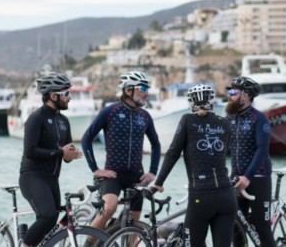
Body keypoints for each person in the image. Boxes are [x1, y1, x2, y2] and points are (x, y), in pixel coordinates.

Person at [152, 84, 236, 247]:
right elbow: (230, 153)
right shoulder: (225, 123)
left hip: (201, 196)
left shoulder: (188, 120)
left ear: (191, 103)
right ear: (212, 102)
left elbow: (172, 153)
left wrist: (158, 182)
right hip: (227, 196)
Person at [81, 70, 161, 237]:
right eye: (142, 88)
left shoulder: (145, 116)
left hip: (136, 176)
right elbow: (87, 138)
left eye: (147, 88)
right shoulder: (110, 111)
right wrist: (95, 169)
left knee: (134, 224)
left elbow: (156, 144)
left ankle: (114, 233)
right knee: (109, 207)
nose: (146, 92)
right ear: (128, 90)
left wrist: (153, 171)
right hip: (113, 175)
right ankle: (88, 243)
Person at [18, 72, 83, 247]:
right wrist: (60, 153)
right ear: (53, 96)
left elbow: (65, 154)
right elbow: (30, 151)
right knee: (47, 216)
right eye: (66, 94)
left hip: (52, 178)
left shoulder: (64, 121)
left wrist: (71, 154)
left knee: (52, 220)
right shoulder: (36, 118)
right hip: (32, 176)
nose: (69, 98)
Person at [225, 76, 276, 247]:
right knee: (235, 225)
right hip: (236, 177)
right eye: (229, 91)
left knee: (262, 227)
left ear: (245, 95)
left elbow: (262, 150)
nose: (229, 95)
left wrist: (247, 177)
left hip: (258, 177)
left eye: (233, 92)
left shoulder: (259, 118)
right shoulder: (230, 118)